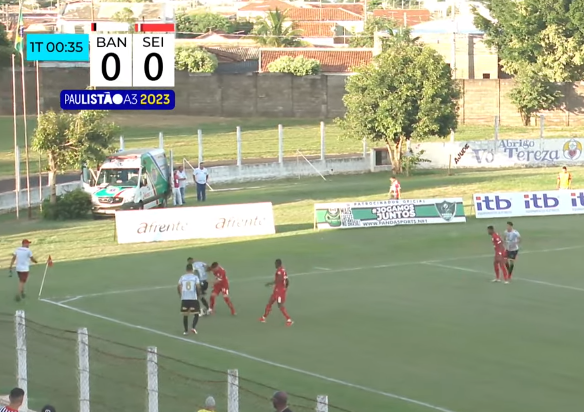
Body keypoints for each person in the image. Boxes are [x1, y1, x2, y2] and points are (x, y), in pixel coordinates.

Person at [259, 259, 293, 326]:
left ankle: (289, 319)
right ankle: (264, 317)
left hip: (279, 292)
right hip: (277, 291)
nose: (275, 265)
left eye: (275, 264)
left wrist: (270, 283)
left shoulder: (279, 272)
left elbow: (278, 280)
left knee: (280, 305)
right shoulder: (283, 270)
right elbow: (287, 281)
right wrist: (285, 288)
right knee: (270, 302)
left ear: (278, 264)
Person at [178, 263, 202, 335]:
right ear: (192, 270)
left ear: (186, 269)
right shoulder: (195, 277)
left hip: (185, 298)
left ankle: (185, 331)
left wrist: (180, 294)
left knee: (185, 315)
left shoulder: (182, 277)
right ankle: (193, 327)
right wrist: (198, 294)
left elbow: (179, 286)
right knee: (196, 313)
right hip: (193, 298)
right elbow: (198, 287)